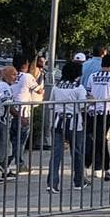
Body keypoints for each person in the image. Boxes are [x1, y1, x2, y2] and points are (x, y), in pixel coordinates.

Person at [47, 59, 89, 194]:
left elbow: (50, 104)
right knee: (77, 152)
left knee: (56, 153)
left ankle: (52, 183)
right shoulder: (78, 88)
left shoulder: (56, 86)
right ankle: (79, 180)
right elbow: (83, 106)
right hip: (75, 122)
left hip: (57, 120)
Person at [86, 53, 110, 180]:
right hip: (106, 111)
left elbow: (88, 93)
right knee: (101, 140)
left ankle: (99, 167)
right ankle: (103, 167)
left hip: (92, 111)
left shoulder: (92, 76)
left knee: (95, 138)